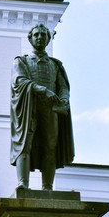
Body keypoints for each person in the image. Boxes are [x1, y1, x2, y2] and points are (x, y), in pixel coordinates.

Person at [10, 23, 74, 191]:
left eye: (43, 35)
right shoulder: (22, 61)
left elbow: (63, 87)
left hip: (51, 110)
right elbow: (19, 81)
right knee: (25, 143)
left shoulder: (55, 65)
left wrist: (64, 99)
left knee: (50, 146)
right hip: (29, 107)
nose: (40, 37)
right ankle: (23, 184)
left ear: (48, 38)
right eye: (36, 35)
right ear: (30, 38)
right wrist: (43, 90)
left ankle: (48, 187)